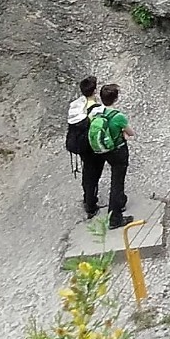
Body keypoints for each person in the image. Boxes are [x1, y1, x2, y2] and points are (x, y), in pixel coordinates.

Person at [84, 83, 131, 229]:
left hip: (104, 151)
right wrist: (123, 133)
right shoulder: (118, 116)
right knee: (117, 182)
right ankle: (115, 218)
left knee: (114, 180)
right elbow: (131, 133)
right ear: (115, 98)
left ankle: (120, 202)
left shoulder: (95, 112)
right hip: (118, 151)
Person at [65, 75, 101, 202]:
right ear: (95, 91)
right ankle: (91, 203)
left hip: (80, 144)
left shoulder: (76, 105)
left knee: (87, 171)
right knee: (94, 174)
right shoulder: (95, 108)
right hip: (90, 145)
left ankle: (87, 197)